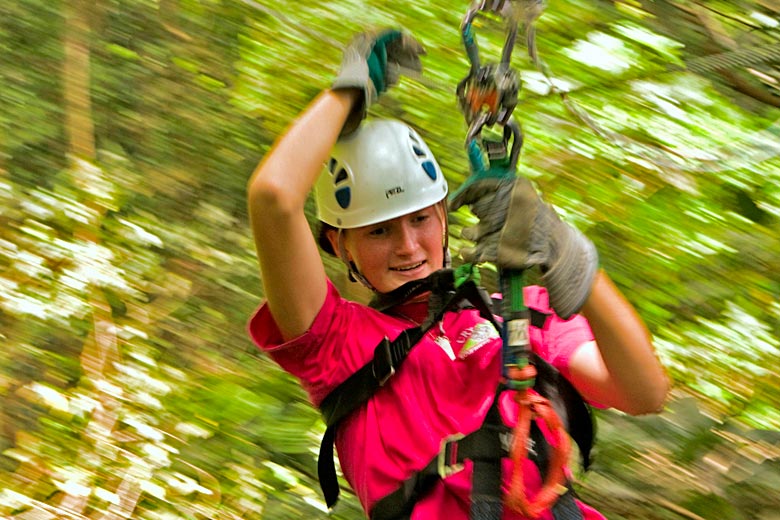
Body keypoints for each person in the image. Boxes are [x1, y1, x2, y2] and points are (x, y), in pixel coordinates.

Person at [246, 29, 669, 520]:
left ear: (444, 215)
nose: (407, 246)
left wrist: (568, 258)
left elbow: (645, 392)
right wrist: (347, 91)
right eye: (379, 231)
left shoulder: (520, 312)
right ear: (340, 245)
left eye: (420, 219)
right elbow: (273, 198)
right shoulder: (336, 345)